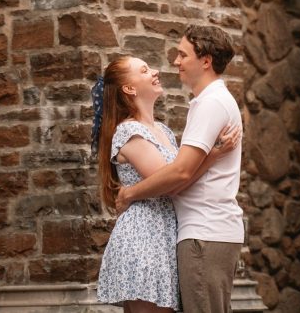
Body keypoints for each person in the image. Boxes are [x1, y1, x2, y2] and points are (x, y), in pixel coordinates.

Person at [94, 55, 239, 313]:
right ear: (129, 88)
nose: (155, 71)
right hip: (144, 236)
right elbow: (170, 181)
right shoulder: (130, 132)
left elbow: (177, 175)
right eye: (144, 70)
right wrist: (213, 155)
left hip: (164, 233)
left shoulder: (163, 130)